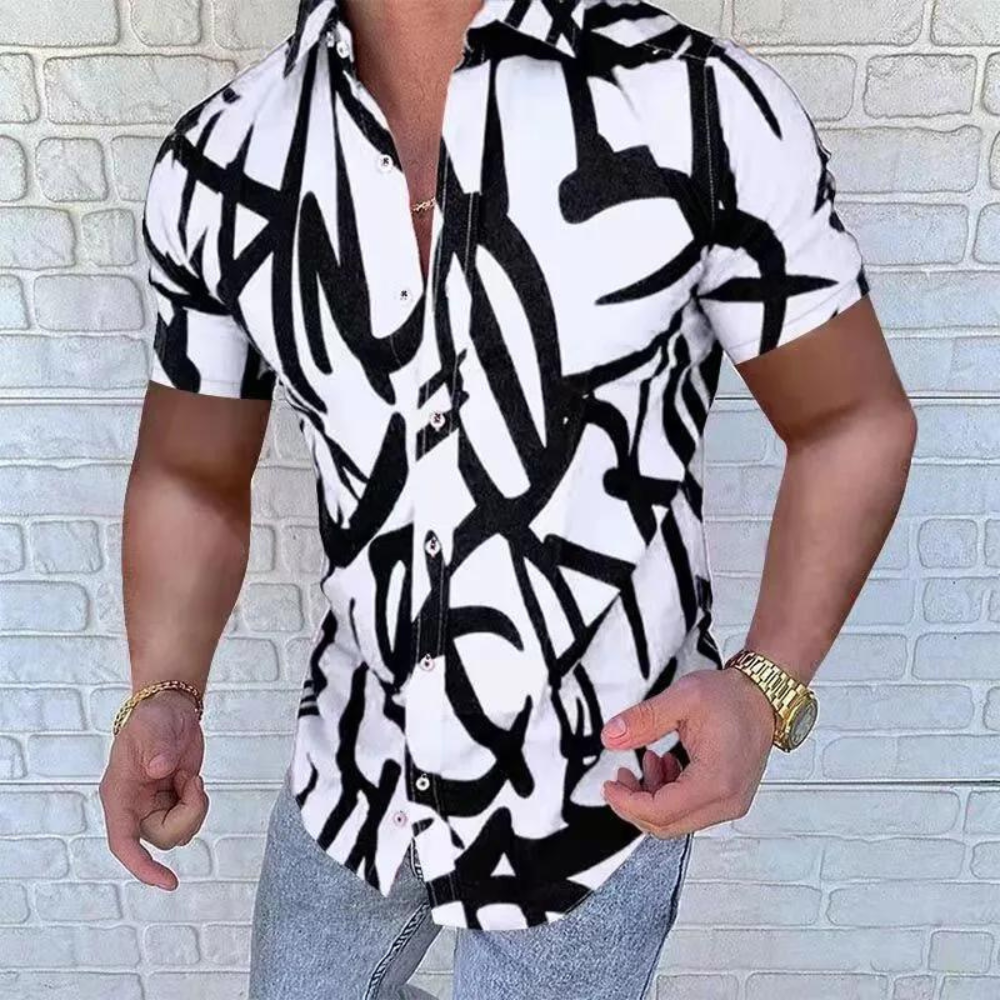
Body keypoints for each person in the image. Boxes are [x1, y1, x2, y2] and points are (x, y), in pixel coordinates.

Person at [99, 0, 916, 997]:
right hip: (353, 769)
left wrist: (766, 686)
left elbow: (851, 421)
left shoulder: (696, 103)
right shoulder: (222, 158)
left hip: (598, 793)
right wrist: (164, 689)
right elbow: (190, 470)